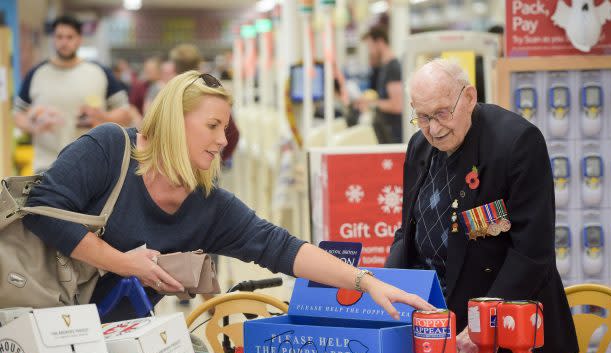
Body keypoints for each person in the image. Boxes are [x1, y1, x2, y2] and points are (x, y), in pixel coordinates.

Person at [23, 71, 434, 322]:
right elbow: (42, 210)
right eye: (213, 126)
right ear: (173, 121)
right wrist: (125, 264)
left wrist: (365, 281)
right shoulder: (109, 149)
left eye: (226, 127)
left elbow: (280, 246)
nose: (223, 140)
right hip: (45, 322)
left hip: (121, 343)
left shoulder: (208, 204)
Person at [385, 58, 578, 353]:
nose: (433, 128)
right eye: (422, 117)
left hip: (510, 338)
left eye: (442, 113)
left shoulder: (517, 143)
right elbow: (408, 233)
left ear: (470, 97)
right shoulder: (419, 146)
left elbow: (532, 254)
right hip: (439, 335)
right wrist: (384, 290)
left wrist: (481, 326)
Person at [13, 15, 131, 173]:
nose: (64, 42)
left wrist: (102, 117)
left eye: (70, 37)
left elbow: (125, 113)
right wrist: (33, 126)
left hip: (92, 163)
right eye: (59, 37)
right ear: (53, 39)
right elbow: (17, 114)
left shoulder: (100, 72)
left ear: (79, 39)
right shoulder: (36, 73)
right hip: (46, 165)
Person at [355, 26, 403, 144]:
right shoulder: (384, 67)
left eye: (370, 46)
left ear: (380, 42)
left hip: (394, 136)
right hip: (385, 133)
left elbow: (397, 105)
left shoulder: (393, 68)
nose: (370, 51)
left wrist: (370, 103)